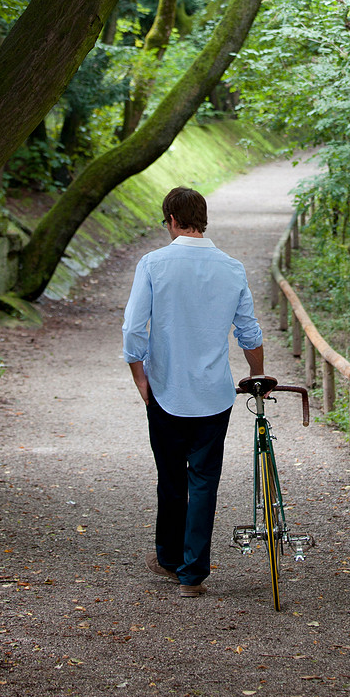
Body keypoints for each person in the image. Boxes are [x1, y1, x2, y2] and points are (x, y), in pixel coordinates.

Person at [122, 186, 264, 597]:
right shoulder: (232, 268)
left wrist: (139, 375)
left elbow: (133, 328)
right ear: (203, 219)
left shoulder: (153, 264)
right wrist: (256, 376)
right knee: (204, 480)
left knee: (170, 478)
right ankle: (192, 574)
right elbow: (249, 332)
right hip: (214, 395)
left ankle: (168, 558)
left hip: (165, 391)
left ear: (170, 219)